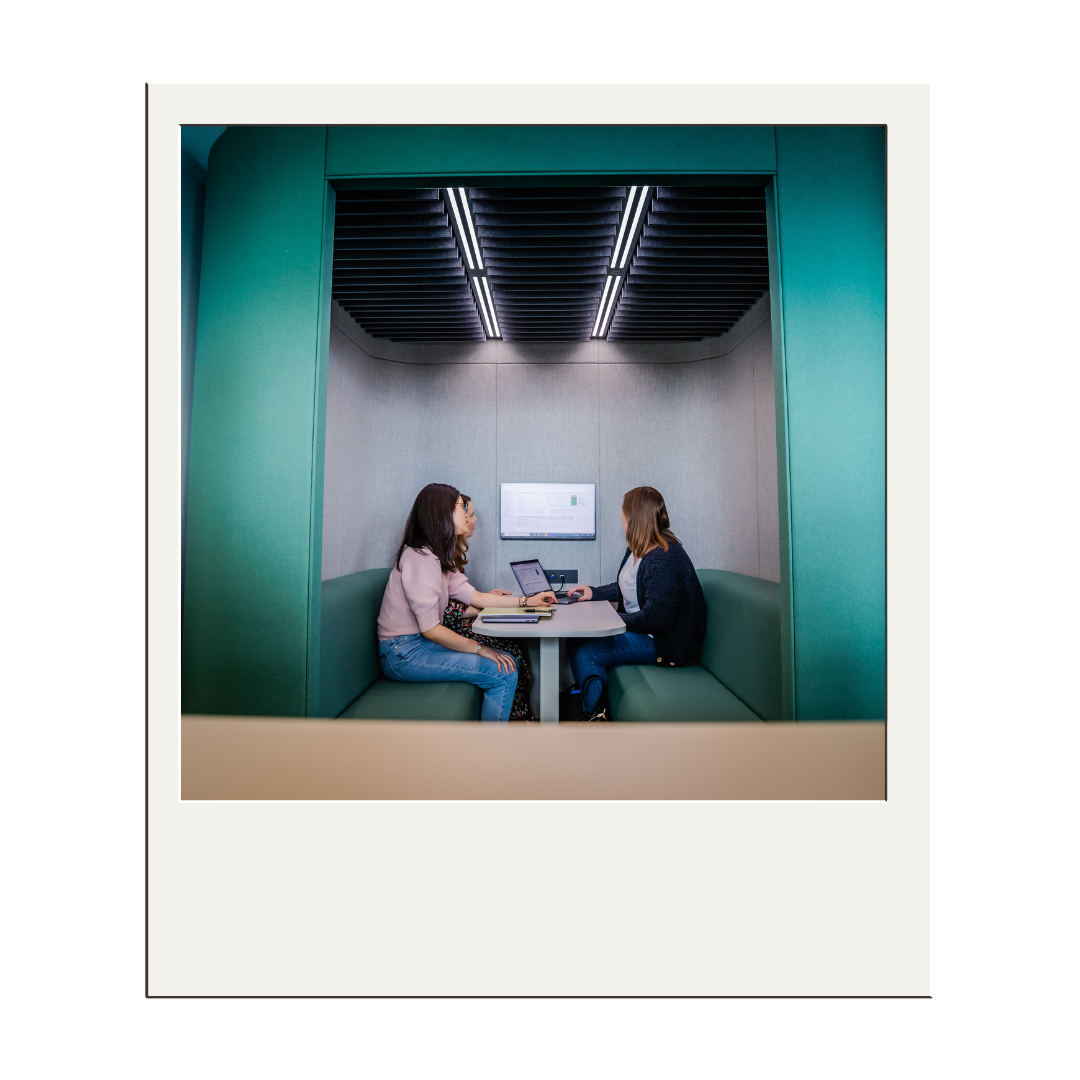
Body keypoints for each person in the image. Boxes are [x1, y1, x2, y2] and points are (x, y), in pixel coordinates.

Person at [377, 483, 557, 722]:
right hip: (402, 653)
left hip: (416, 645)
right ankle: (486, 753)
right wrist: (483, 650)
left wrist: (528, 601)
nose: (470, 515)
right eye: (463, 508)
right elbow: (431, 630)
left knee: (509, 661)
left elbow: (478, 597)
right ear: (442, 513)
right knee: (503, 672)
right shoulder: (420, 559)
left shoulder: (435, 557)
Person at [566, 486, 706, 720]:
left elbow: (656, 618)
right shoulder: (638, 548)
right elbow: (628, 586)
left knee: (585, 652)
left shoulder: (664, 557)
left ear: (633, 517)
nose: (620, 516)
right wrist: (594, 592)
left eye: (623, 511)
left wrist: (608, 619)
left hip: (663, 643)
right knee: (576, 640)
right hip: (644, 632)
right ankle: (595, 706)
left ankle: (595, 721)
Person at [439, 494, 536, 721]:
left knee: (515, 646)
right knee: (512, 653)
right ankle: (517, 718)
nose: (473, 520)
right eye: (469, 514)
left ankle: (518, 715)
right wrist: (481, 607)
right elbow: (443, 611)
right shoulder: (432, 558)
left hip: (455, 621)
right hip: (448, 627)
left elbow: (466, 595)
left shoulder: (446, 554)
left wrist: (484, 600)